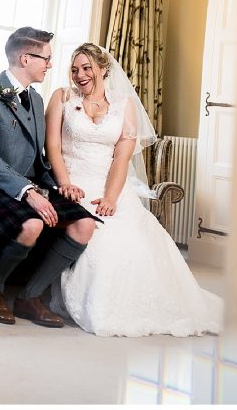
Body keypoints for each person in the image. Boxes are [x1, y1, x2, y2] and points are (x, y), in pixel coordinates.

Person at [44, 42, 222, 337]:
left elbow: (122, 156)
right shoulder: (62, 97)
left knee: (132, 235)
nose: (80, 75)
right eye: (74, 69)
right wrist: (65, 183)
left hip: (109, 185)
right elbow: (53, 146)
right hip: (72, 182)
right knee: (95, 237)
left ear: (103, 69)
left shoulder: (124, 106)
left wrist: (112, 197)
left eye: (87, 68)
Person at [0, 27, 98, 327]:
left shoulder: (37, 100)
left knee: (85, 223)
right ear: (25, 58)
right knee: (32, 223)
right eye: (46, 58)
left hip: (31, 184)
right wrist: (28, 192)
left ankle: (31, 296)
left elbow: (39, 157)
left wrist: (58, 185)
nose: (50, 65)